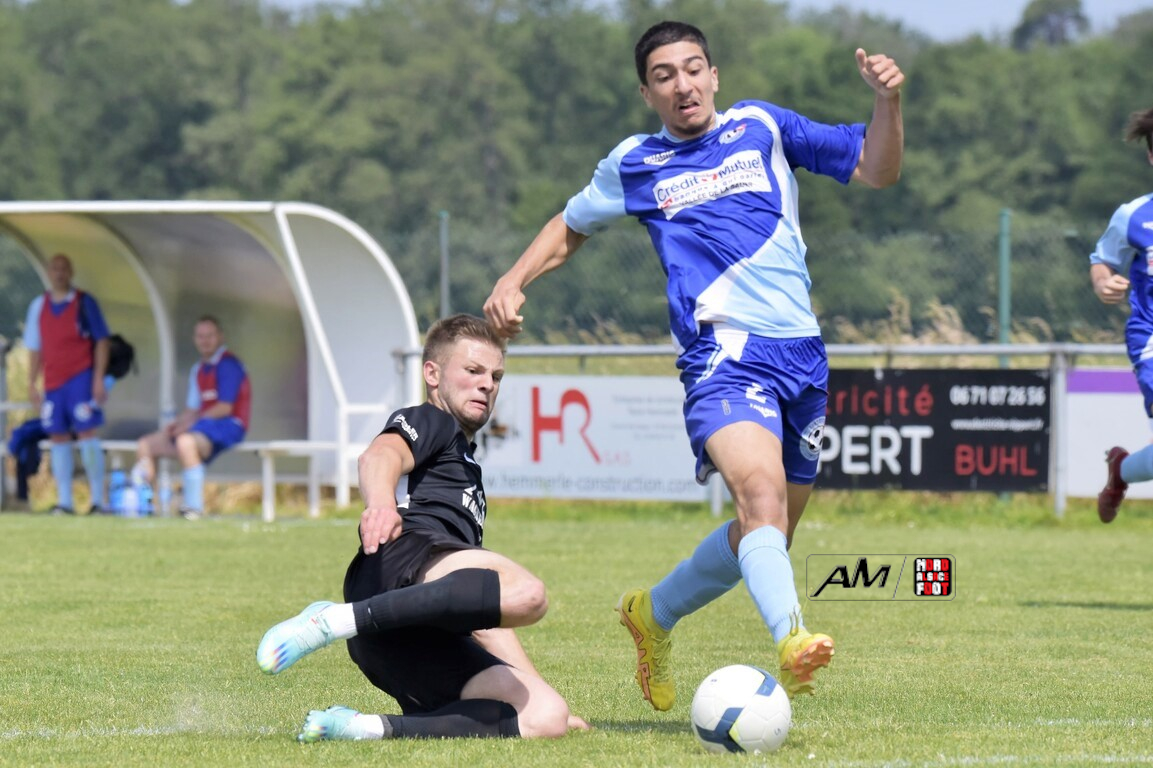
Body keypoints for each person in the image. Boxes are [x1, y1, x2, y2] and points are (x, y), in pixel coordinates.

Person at [484, 21, 904, 708]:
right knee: (760, 503)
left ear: (713, 76)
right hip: (723, 356)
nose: (682, 84)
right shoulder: (636, 162)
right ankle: (793, 639)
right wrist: (513, 279)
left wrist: (886, 103)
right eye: (664, 76)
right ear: (646, 93)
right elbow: (570, 225)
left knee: (766, 535)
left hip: (802, 355)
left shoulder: (762, 126)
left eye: (692, 68)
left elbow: (877, 170)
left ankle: (651, 614)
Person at [255, 314, 588, 742]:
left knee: (546, 715)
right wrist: (381, 504)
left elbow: (481, 610)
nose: (487, 384)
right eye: (473, 371)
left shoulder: (468, 468)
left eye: (495, 376)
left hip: (403, 644)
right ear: (432, 374)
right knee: (530, 593)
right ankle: (328, 620)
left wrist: (536, 687)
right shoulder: (435, 422)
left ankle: (361, 728)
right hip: (398, 565)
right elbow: (380, 455)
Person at [1090, 106, 1153, 523]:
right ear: (1151, 156)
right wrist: (1102, 283)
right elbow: (1102, 260)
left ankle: (1120, 470)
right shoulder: (1134, 215)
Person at [132, 315, 250, 520]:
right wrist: (177, 424)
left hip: (229, 426)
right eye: (200, 336)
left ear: (220, 337)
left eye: (210, 336)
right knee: (146, 445)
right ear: (195, 339)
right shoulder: (199, 369)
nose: (205, 341)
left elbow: (225, 408)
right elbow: (192, 409)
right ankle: (147, 504)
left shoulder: (229, 365)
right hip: (202, 426)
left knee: (186, 442)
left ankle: (193, 507)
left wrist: (188, 425)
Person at [23, 253, 112, 515]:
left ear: (71, 272)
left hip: (81, 378)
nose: (59, 273)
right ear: (48, 273)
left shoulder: (84, 302)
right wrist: (31, 382)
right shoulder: (38, 306)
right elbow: (35, 347)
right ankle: (65, 501)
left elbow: (102, 341)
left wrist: (98, 377)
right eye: (54, 269)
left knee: (86, 432)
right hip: (53, 382)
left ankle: (98, 500)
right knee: (57, 435)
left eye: (64, 269)